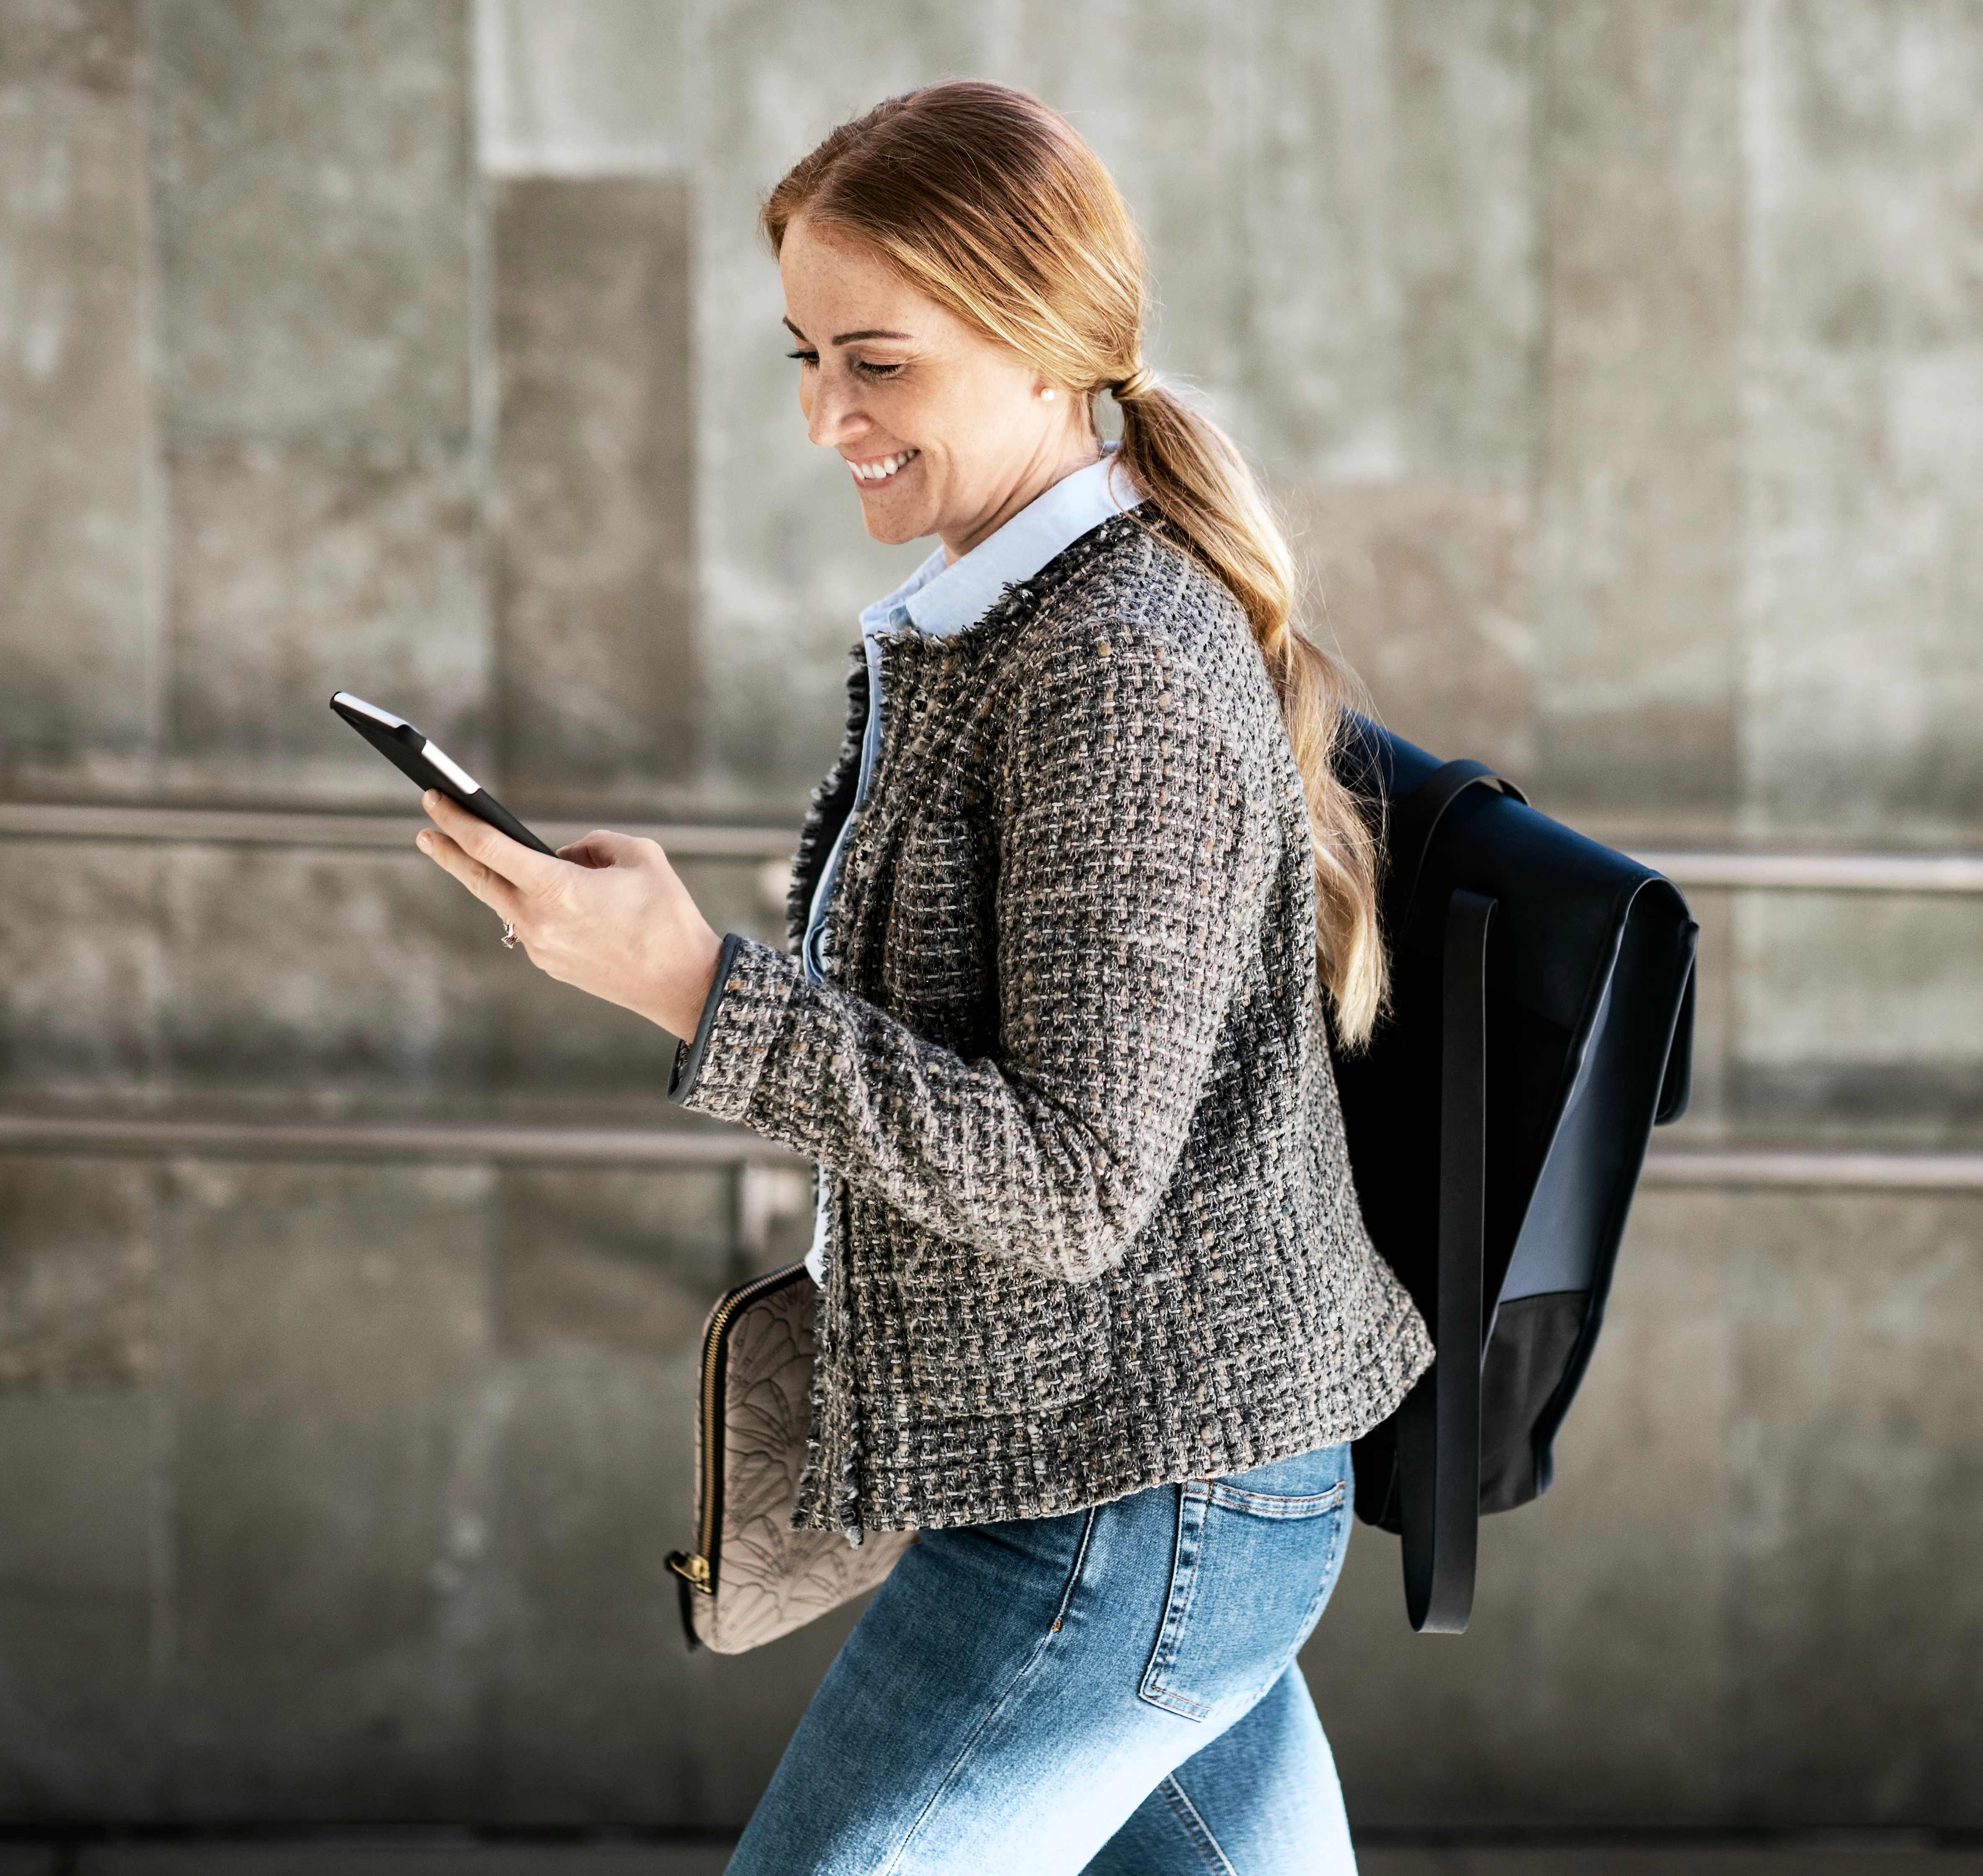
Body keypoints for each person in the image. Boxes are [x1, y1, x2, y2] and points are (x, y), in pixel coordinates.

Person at [412, 80, 1431, 1875]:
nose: (827, 418)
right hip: (1122, 1464)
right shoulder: (1002, 622)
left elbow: (1076, 1184)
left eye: (877, 362)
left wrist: (696, 990)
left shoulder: (1116, 662)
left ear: (1043, 347)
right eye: (806, 358)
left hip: (1132, 1497)